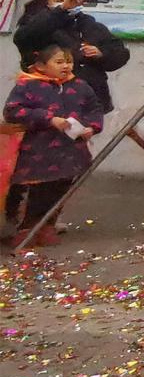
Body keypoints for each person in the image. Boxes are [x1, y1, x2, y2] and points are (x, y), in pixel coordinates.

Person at [5, 41, 104, 245]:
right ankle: (27, 228)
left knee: (60, 189)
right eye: (59, 62)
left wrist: (91, 127)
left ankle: (47, 225)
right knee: (38, 191)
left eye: (68, 62)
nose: (65, 66)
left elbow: (94, 109)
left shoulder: (79, 86)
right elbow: (13, 111)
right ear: (40, 65)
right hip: (37, 152)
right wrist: (48, 118)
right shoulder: (28, 84)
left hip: (71, 151)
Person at [12, 0, 129, 114]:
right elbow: (24, 37)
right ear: (46, 4)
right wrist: (61, 10)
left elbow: (119, 52)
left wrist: (101, 54)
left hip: (91, 100)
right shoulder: (37, 23)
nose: (68, 2)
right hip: (49, 100)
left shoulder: (88, 24)